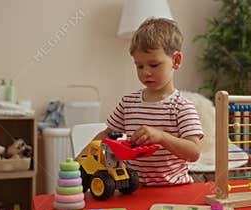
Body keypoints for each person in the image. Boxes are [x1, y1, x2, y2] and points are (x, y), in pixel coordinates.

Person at [78, 18, 204, 186]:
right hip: (132, 188)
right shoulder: (128, 103)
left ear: (176, 60)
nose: (146, 73)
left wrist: (161, 137)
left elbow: (193, 153)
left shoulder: (181, 107)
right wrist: (79, 159)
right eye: (140, 66)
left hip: (174, 189)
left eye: (154, 65)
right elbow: (106, 135)